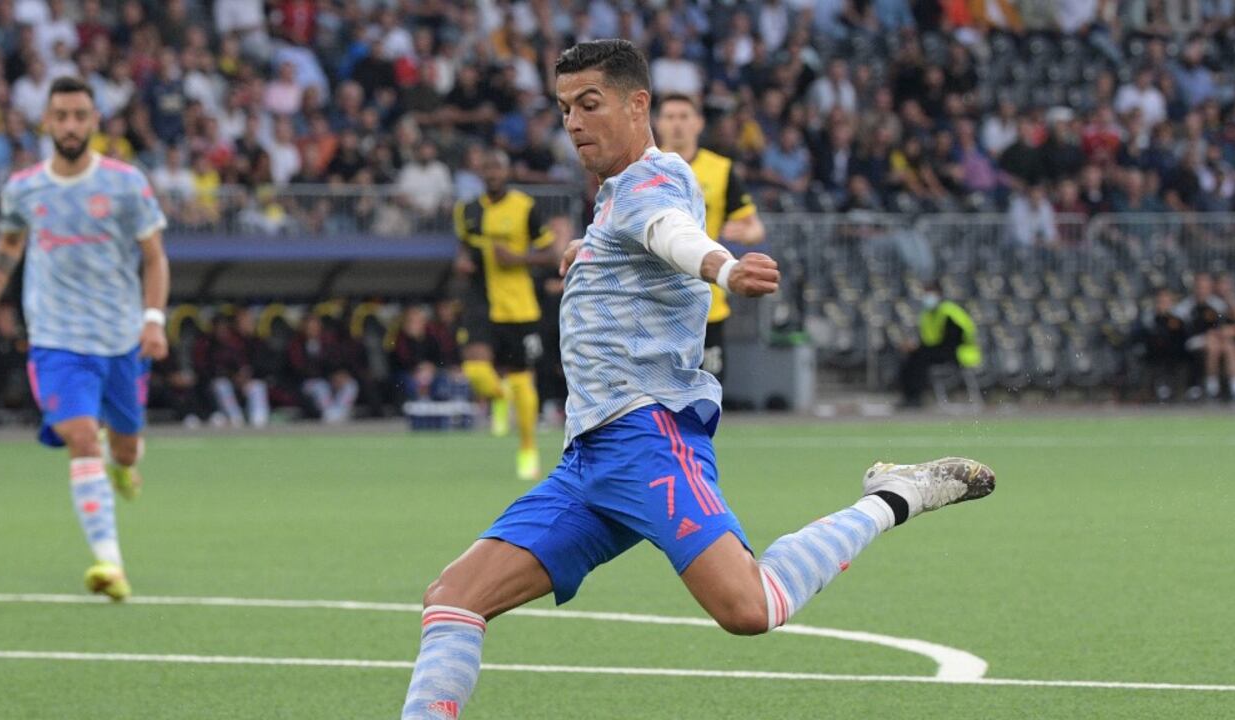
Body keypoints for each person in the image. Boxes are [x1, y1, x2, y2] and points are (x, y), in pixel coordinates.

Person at [399, 40, 996, 720]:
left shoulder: (652, 180)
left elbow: (672, 233)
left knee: (751, 607)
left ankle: (893, 495)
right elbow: (640, 239)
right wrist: (587, 252)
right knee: (453, 598)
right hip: (589, 460)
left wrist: (725, 269)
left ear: (638, 104)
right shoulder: (615, 196)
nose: (573, 123)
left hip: (646, 439)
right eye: (564, 109)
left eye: (589, 104)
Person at [0, 77, 169, 602]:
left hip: (120, 338)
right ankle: (109, 563)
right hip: (55, 338)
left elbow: (154, 257)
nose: (71, 125)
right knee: (80, 435)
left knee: (125, 448)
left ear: (95, 121)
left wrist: (153, 319)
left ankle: (122, 464)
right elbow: (10, 244)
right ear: (46, 122)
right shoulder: (24, 188)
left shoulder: (126, 183)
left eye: (80, 115)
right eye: (61, 116)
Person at [452, 149, 556, 480]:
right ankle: (499, 396)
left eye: (498, 167)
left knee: (522, 378)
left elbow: (551, 254)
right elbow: (464, 247)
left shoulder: (525, 207)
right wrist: (462, 262)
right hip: (480, 301)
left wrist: (518, 258)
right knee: (475, 371)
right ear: (480, 172)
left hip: (519, 307)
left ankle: (527, 448)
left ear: (507, 171)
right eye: (487, 167)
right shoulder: (466, 210)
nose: (493, 173)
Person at [654, 92, 765, 385]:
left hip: (706, 300)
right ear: (658, 123)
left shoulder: (721, 169)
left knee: (707, 392)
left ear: (698, 123)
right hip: (656, 301)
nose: (677, 124)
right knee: (658, 396)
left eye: (684, 116)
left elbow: (754, 227)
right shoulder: (644, 169)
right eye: (670, 117)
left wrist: (745, 232)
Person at [897, 281, 982, 408]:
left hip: (960, 352)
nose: (927, 298)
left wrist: (921, 348)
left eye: (930, 293)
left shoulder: (949, 312)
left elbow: (953, 340)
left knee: (920, 358)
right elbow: (928, 339)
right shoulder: (926, 314)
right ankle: (909, 397)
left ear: (940, 294)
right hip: (939, 350)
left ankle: (916, 398)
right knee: (911, 358)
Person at [1175, 272, 1235, 400]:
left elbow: (1225, 323)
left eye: (1205, 287)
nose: (1202, 290)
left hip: (1214, 340)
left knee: (1229, 346)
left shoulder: (1217, 304)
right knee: (1212, 344)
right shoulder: (1186, 306)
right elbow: (1181, 330)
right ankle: (1211, 387)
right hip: (1191, 341)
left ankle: (1232, 386)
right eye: (1199, 287)